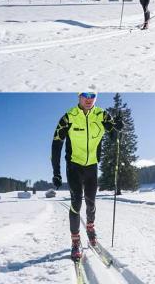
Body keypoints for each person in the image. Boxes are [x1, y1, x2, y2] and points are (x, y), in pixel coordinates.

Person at [51, 92, 122, 261]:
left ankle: (90, 227)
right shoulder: (68, 117)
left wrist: (117, 129)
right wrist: (56, 171)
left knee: (91, 201)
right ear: (78, 96)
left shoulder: (102, 115)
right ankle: (75, 242)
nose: (89, 99)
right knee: (77, 201)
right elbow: (56, 145)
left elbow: (113, 135)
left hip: (92, 166)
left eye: (93, 95)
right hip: (74, 165)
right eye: (85, 95)